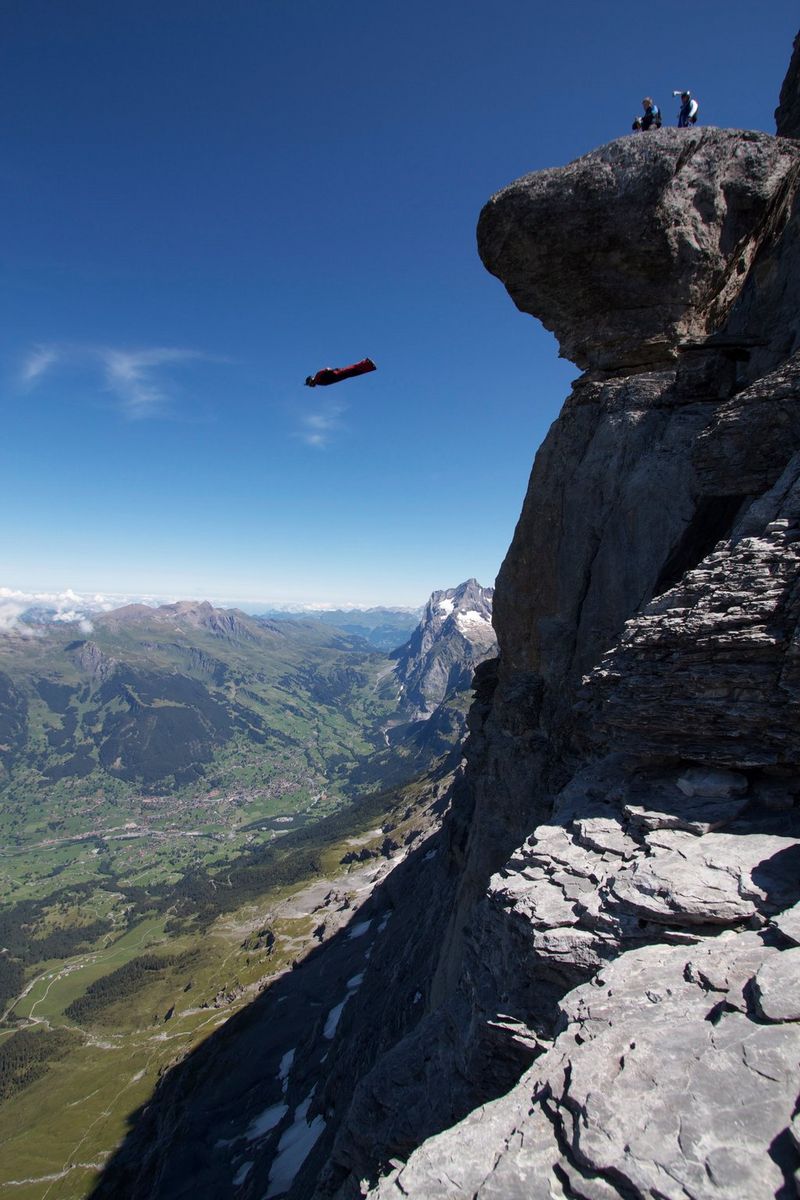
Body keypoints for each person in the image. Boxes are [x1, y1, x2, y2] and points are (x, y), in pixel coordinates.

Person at [304, 358, 377, 387]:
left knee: (352, 368)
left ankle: (366, 362)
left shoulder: (317, 378)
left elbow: (323, 371)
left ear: (311, 380)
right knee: (354, 372)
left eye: (309, 384)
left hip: (338, 373)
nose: (310, 386)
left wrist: (327, 370)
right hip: (339, 377)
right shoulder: (319, 382)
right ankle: (370, 367)